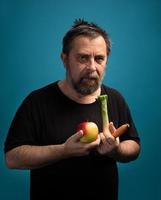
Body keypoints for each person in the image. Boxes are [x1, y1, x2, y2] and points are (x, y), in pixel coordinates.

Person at [4, 19, 141, 200]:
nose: (92, 67)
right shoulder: (36, 101)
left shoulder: (114, 98)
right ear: (65, 59)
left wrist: (116, 150)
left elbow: (133, 145)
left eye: (99, 58)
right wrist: (63, 150)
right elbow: (12, 158)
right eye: (83, 57)